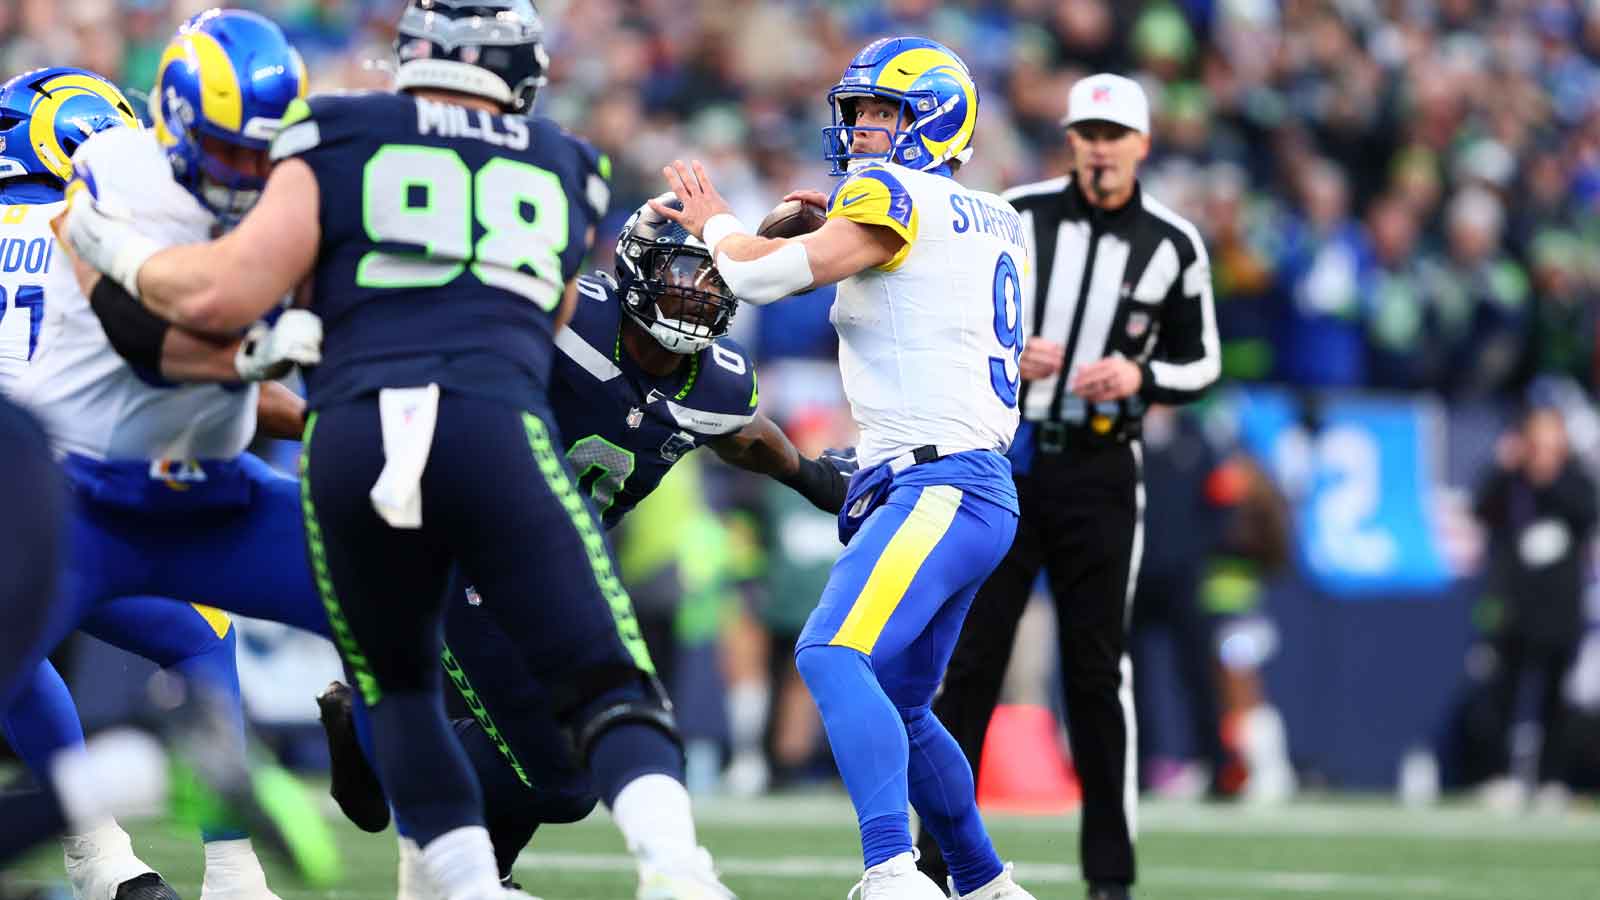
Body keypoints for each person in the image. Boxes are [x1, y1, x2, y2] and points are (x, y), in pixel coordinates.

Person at [62, 3, 740, 898]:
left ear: (415, 56)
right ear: (520, 76)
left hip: (358, 431)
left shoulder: (334, 131)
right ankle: (678, 873)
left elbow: (227, 296)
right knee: (606, 672)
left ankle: (458, 880)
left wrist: (111, 248)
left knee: (402, 685)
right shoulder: (568, 165)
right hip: (491, 430)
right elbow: (550, 319)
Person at [313, 194, 851, 891]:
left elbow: (745, 435)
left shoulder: (720, 380)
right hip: (454, 545)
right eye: (680, 273)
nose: (694, 295)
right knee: (563, 773)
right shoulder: (568, 320)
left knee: (555, 762)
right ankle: (387, 756)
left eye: (710, 278)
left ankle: (419, 795)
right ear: (631, 265)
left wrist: (816, 479)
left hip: (549, 567)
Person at [652, 35, 1037, 900]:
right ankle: (983, 883)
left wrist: (718, 221)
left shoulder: (891, 192)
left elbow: (757, 281)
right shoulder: (993, 213)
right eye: (858, 110)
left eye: (884, 111)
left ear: (933, 119)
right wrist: (828, 221)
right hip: (974, 485)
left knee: (830, 653)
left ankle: (892, 870)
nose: (864, 126)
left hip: (938, 481)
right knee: (901, 699)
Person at [0, 59, 321, 900]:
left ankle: (98, 851)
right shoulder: (99, 226)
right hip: (72, 490)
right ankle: (226, 870)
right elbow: (193, 364)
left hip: (43, 494)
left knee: (19, 654)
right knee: (196, 635)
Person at [914, 74, 1219, 900]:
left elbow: (1204, 362)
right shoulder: (1015, 212)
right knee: (971, 660)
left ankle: (1109, 878)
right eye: (1086, 131)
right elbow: (948, 310)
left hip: (1100, 466)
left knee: (1095, 673)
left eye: (1114, 134)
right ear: (1070, 139)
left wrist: (1141, 373)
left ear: (1142, 145)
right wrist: (1011, 354)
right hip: (1006, 456)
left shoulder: (1173, 242)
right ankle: (931, 865)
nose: (1099, 146)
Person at [1471, 404, 1597, 809]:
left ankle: (1551, 779)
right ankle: (1500, 775)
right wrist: (1510, 468)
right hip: (1515, 604)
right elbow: (1482, 509)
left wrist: (1551, 476)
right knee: (1504, 692)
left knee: (1556, 697)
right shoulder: (1511, 482)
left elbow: (1587, 512)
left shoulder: (1574, 479)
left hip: (1559, 606)